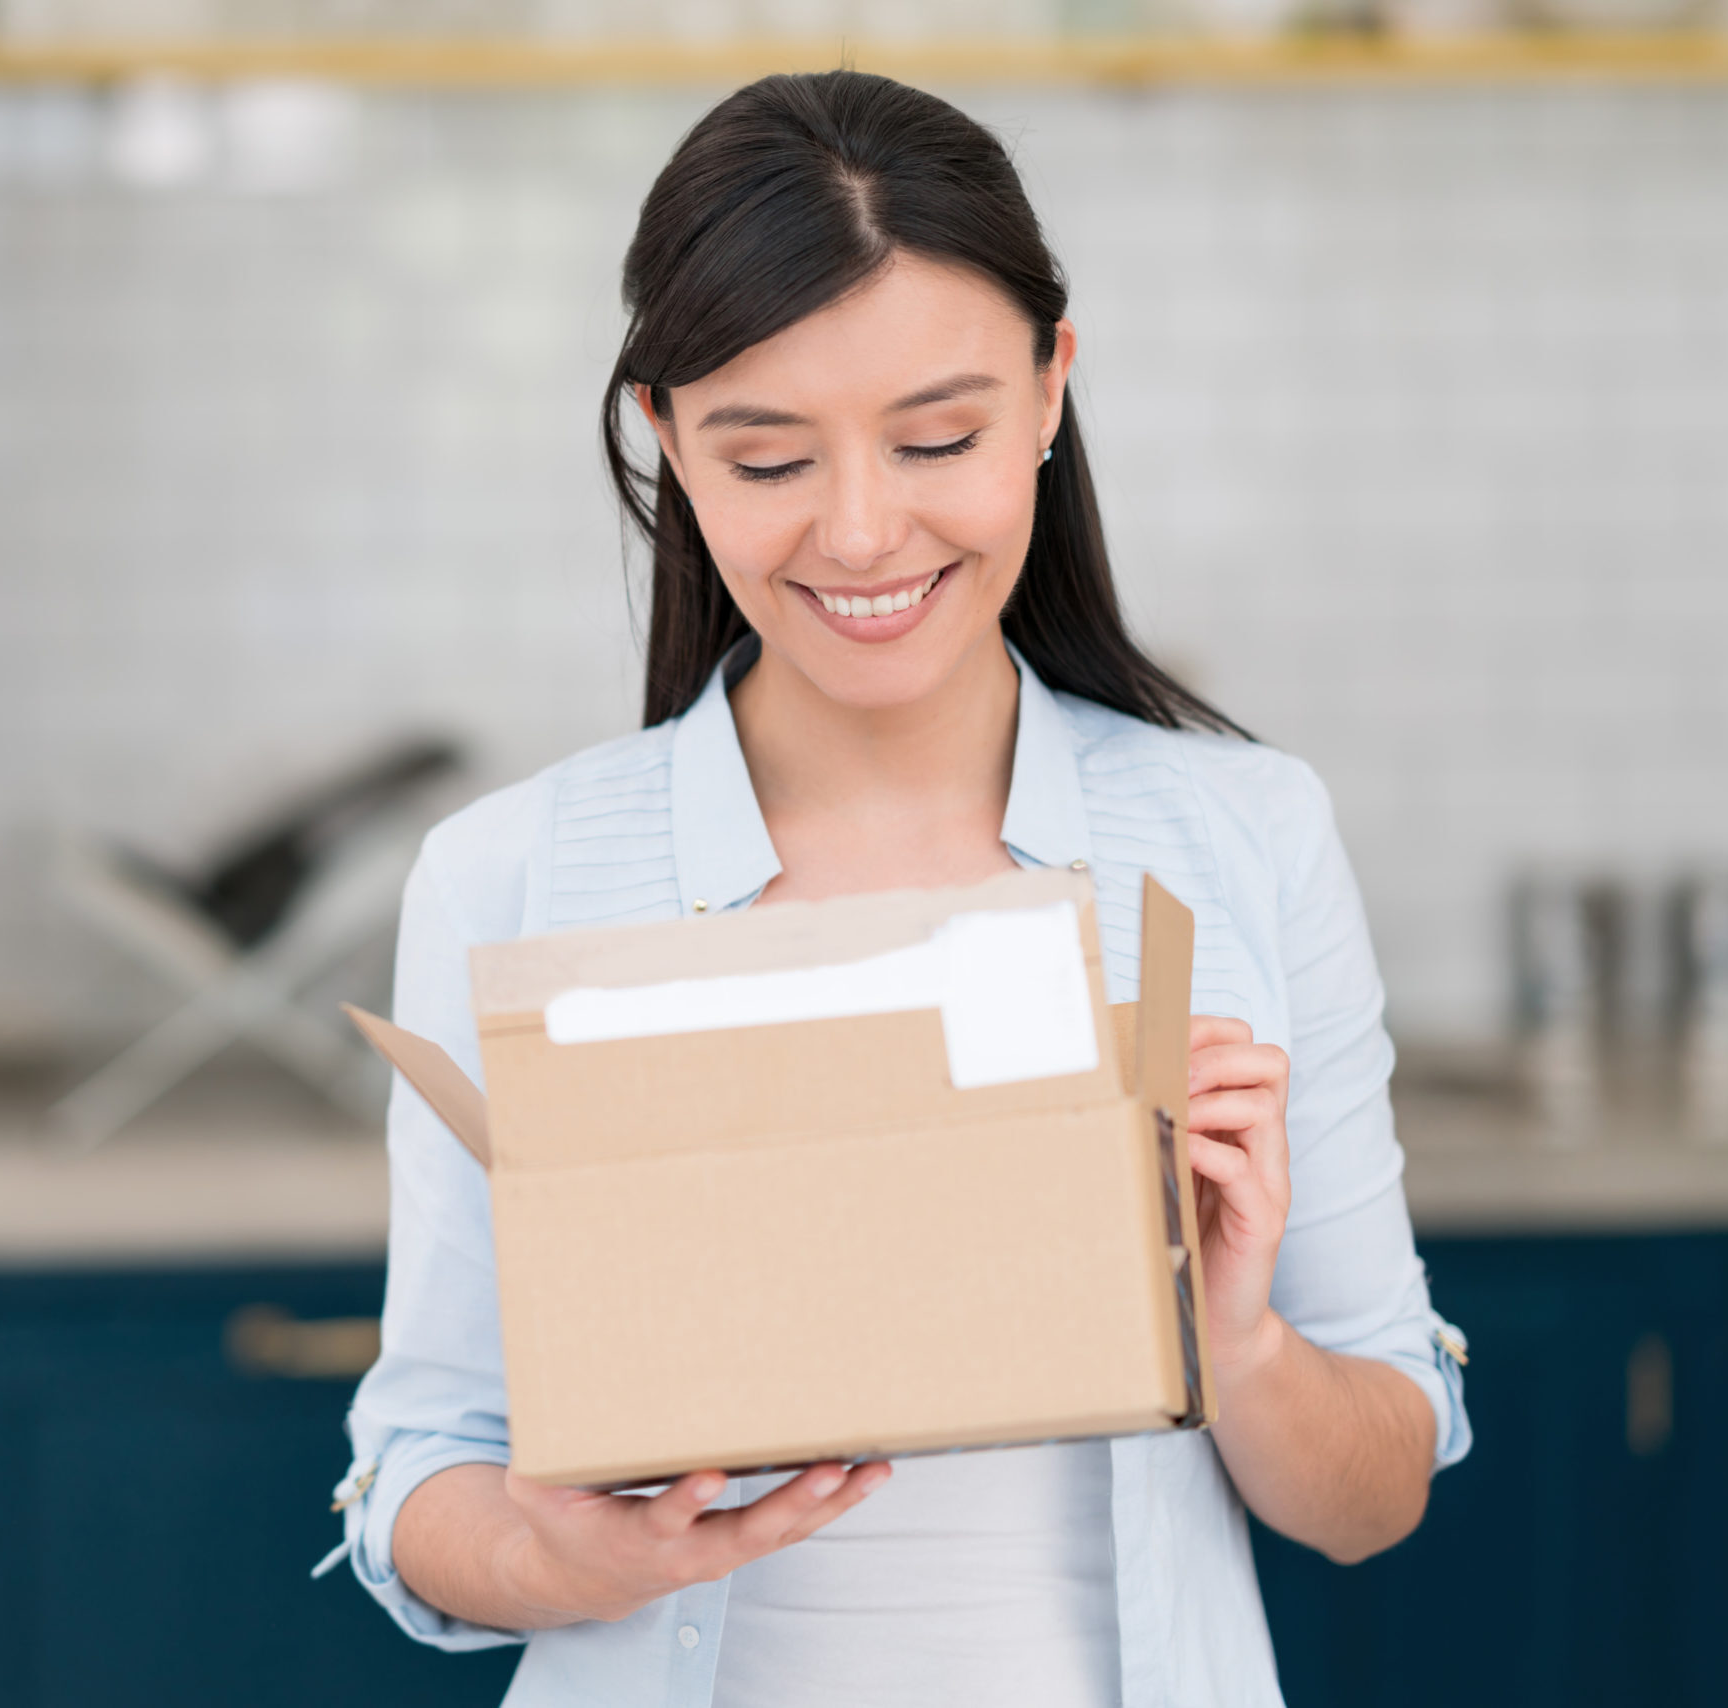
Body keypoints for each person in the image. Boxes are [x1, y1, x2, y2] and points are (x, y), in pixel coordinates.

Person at [323, 70, 1470, 1708]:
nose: (863, 533)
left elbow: (1377, 1496)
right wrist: (569, 1557)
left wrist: (1237, 1343)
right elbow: (423, 1468)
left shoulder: (1243, 839)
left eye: (939, 437)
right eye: (768, 457)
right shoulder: (513, 879)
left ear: (1053, 388)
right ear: (664, 438)